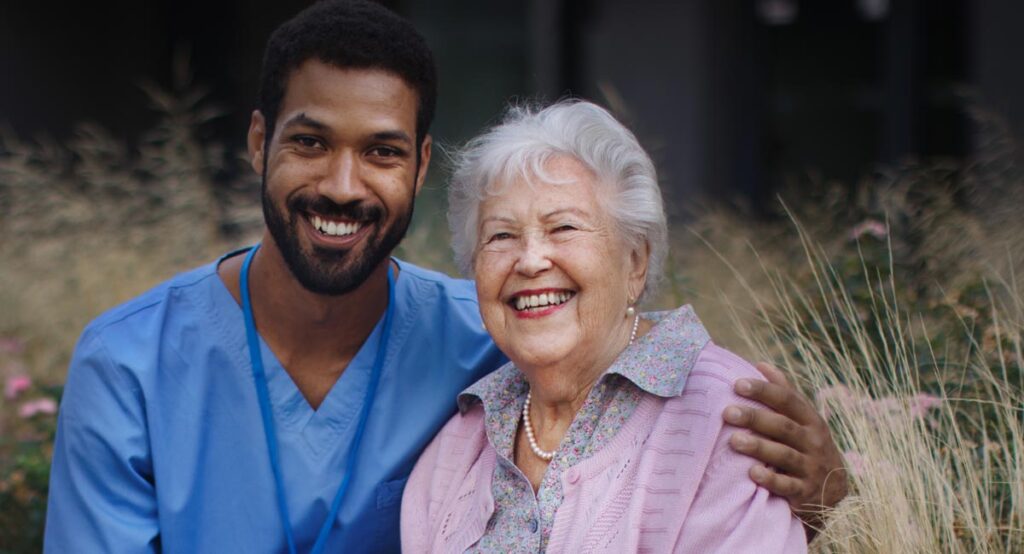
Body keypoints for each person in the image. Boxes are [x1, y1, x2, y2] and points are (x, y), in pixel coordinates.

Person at [44, 1, 844, 552]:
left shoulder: (493, 336)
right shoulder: (130, 366)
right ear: (258, 144)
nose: (345, 185)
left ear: (421, 166)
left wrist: (826, 485)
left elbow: (626, 351)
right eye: (311, 142)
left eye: (382, 152)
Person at [401, 100, 807, 552]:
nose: (531, 260)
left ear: (635, 261)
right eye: (501, 236)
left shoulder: (725, 416)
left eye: (564, 228)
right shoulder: (456, 448)